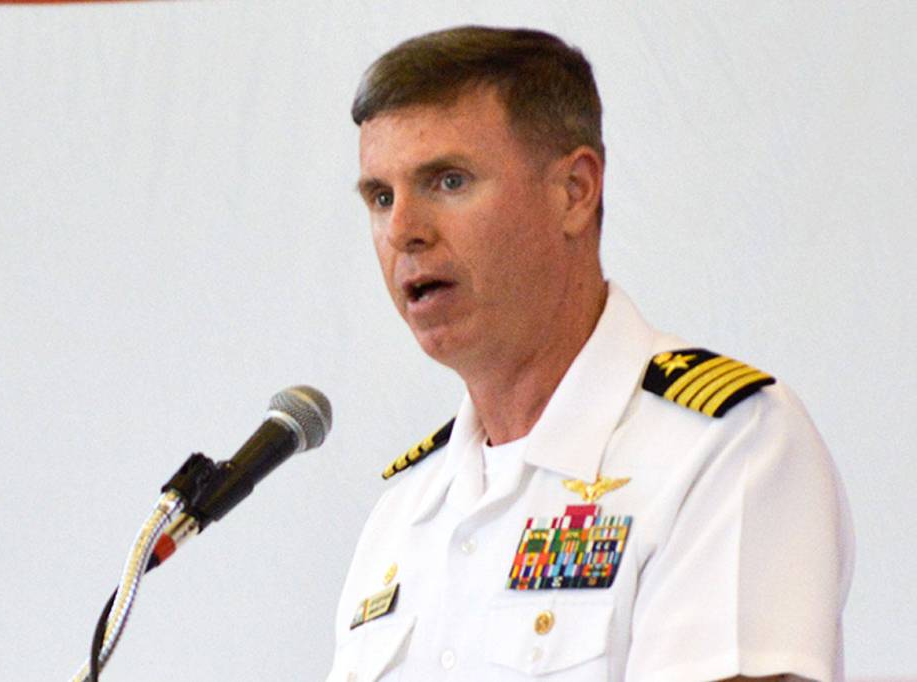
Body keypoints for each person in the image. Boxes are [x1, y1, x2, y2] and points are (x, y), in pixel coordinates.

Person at [328, 26, 853, 682]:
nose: (403, 230)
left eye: (449, 181)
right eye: (381, 197)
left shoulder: (727, 447)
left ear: (575, 191)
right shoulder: (404, 512)